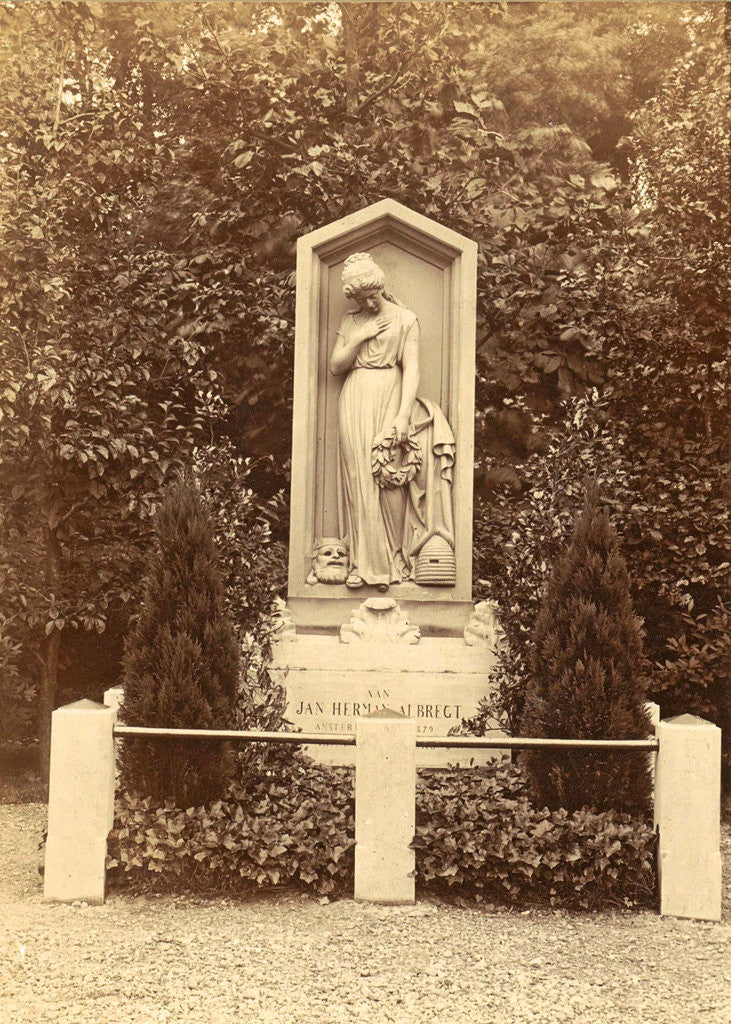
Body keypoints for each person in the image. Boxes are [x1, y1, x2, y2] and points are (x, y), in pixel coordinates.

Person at [330, 252, 455, 590]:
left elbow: (411, 368)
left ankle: (393, 560)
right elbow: (336, 366)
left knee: (388, 478)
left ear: (382, 287)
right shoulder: (352, 322)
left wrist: (402, 415)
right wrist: (360, 335)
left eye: (373, 295)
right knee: (358, 479)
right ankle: (362, 564)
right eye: (361, 299)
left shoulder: (405, 318)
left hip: (390, 394)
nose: (369, 303)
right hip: (356, 395)